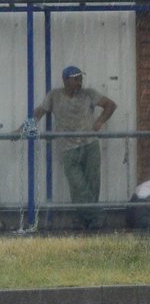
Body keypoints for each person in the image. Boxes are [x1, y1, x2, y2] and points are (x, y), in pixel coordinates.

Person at [32, 65, 117, 229]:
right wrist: (23, 128)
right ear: (65, 80)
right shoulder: (54, 96)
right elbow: (39, 112)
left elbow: (110, 105)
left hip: (90, 145)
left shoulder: (89, 93)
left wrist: (99, 122)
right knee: (78, 185)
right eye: (76, 79)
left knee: (92, 185)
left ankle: (85, 221)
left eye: (80, 78)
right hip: (68, 148)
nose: (79, 82)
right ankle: (97, 217)